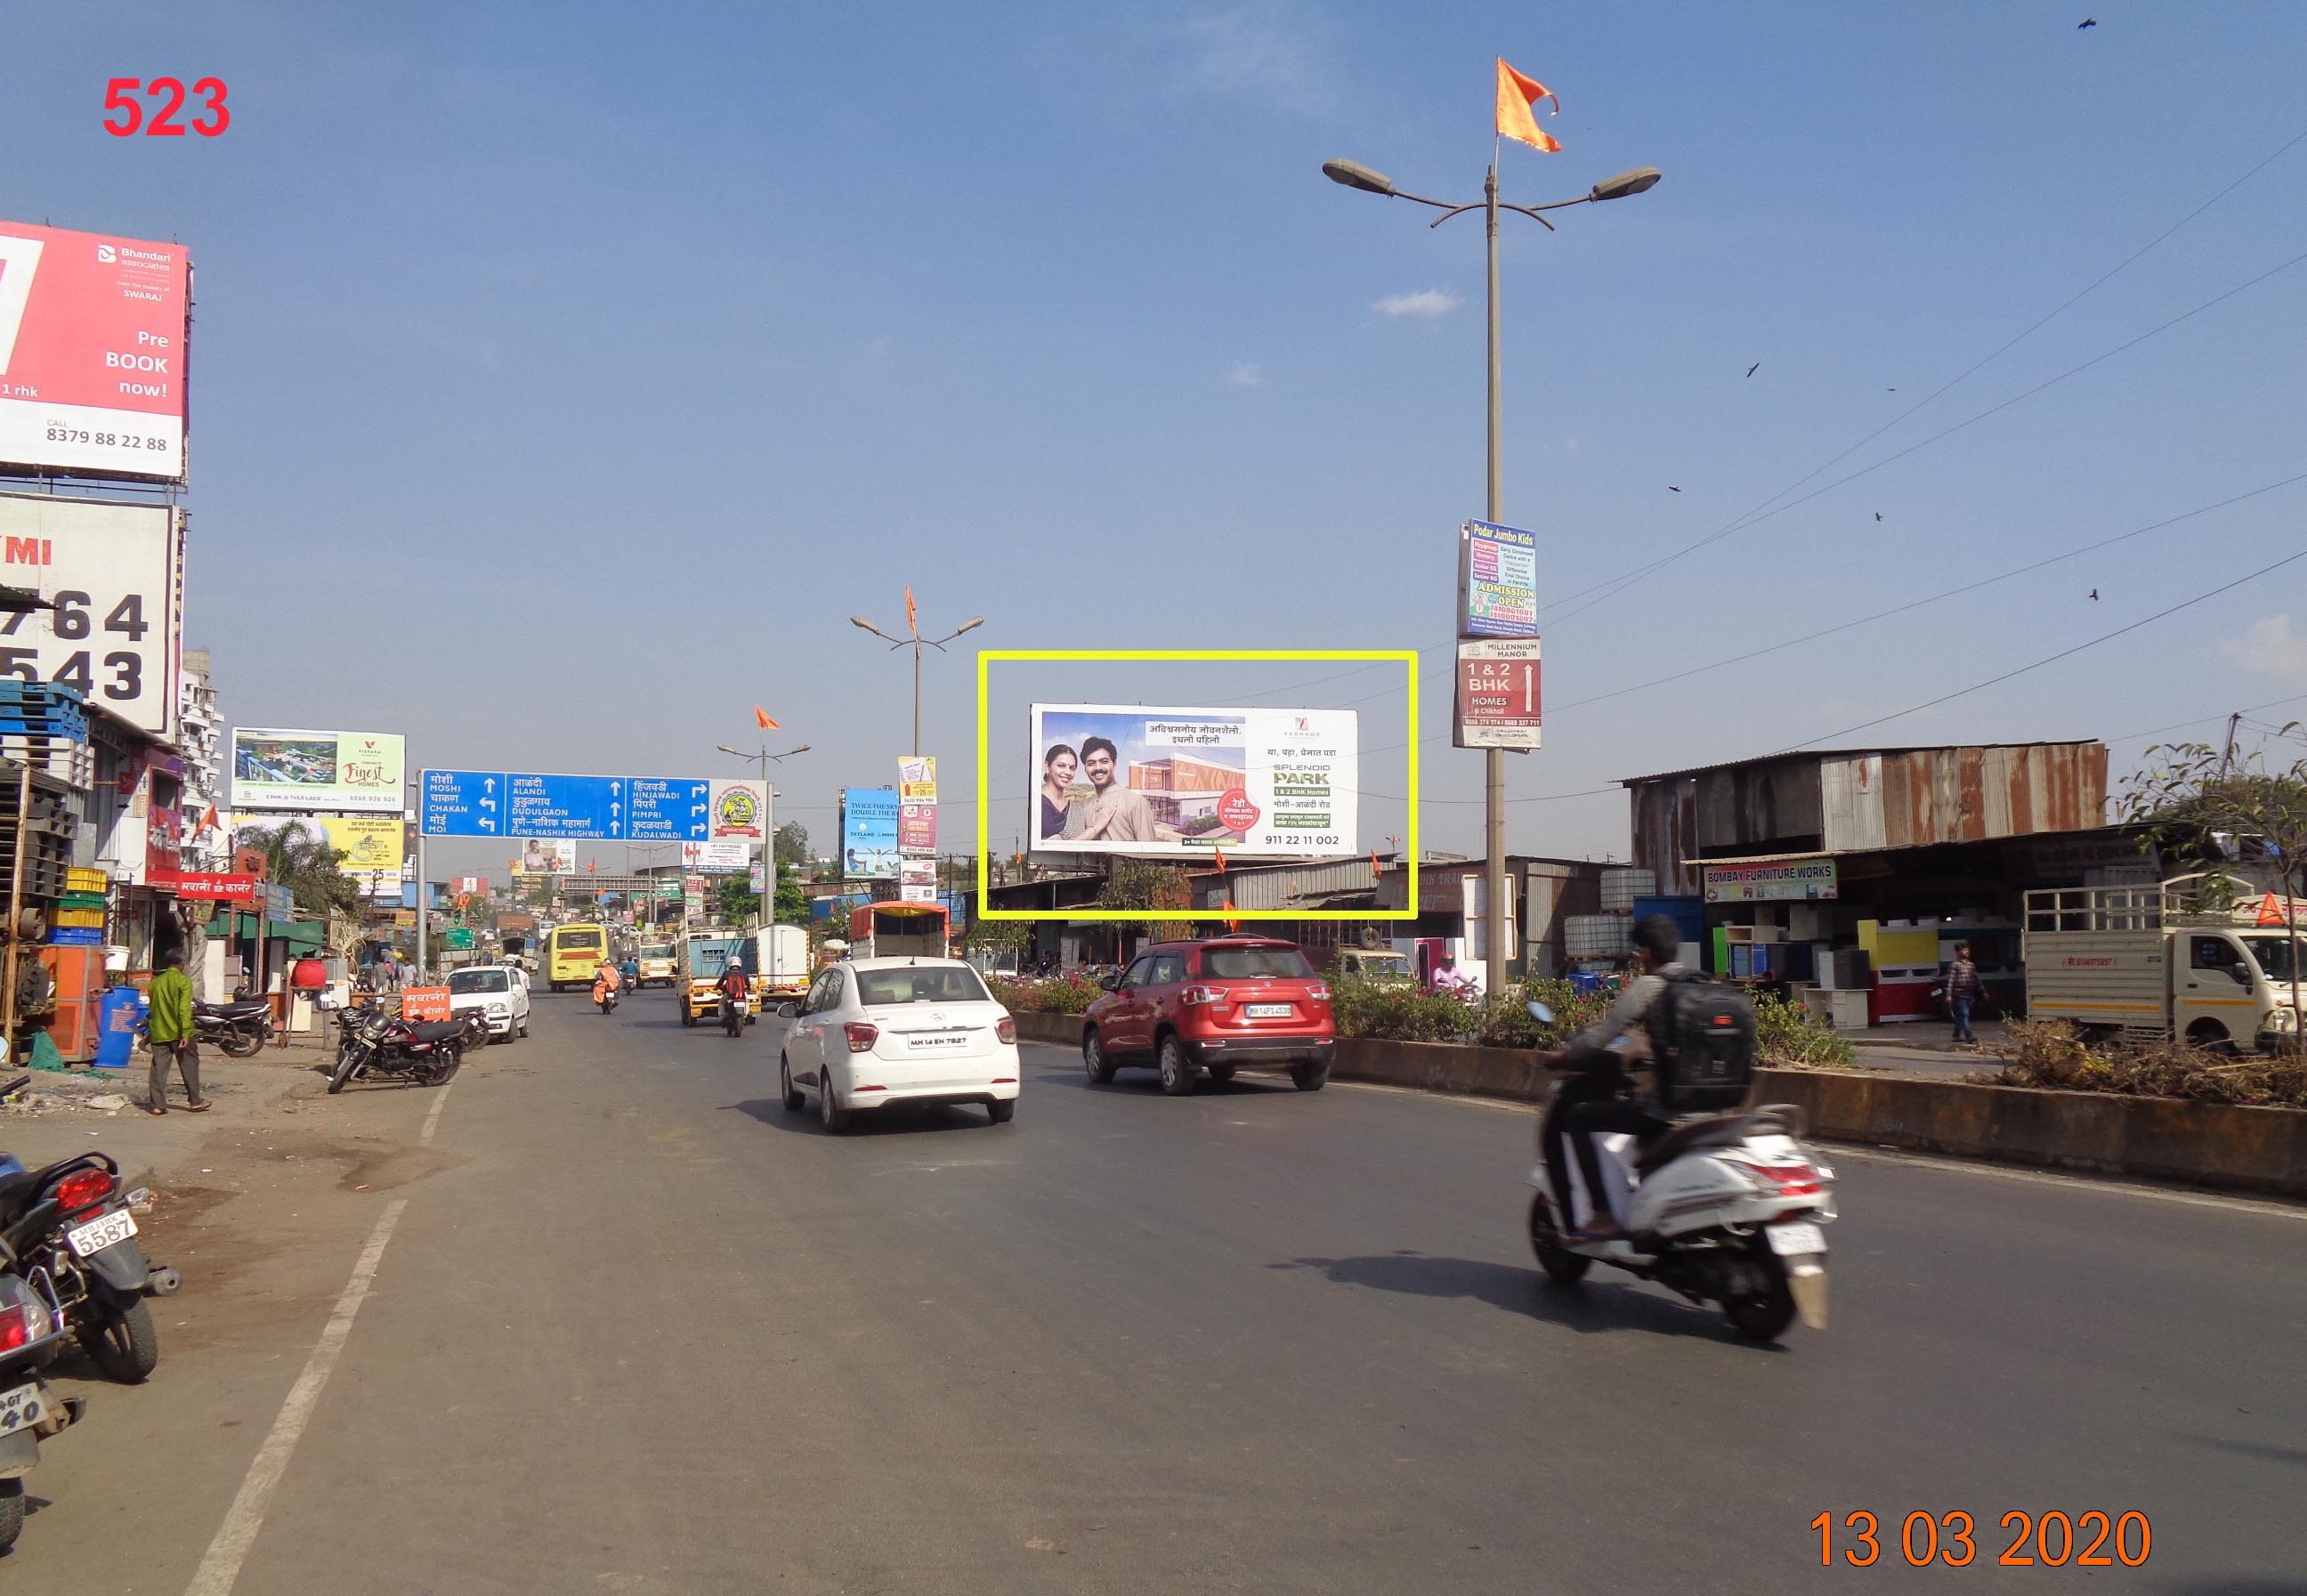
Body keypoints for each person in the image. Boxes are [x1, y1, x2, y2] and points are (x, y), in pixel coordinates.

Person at [1531, 913, 1686, 1244]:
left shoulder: (1651, 986)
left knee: (1578, 1116)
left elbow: (1605, 1033)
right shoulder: (1703, 984)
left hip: (1670, 1108)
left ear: (1644, 954)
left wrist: (1564, 1056)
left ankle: (1602, 1215)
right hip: (1719, 1107)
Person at [144, 950, 212, 1116]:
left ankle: (158, 1105)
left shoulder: (155, 982)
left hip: (159, 1031)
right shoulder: (183, 981)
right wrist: (186, 1032)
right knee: (189, 1064)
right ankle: (195, 1101)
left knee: (158, 1069)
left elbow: (152, 1009)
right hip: (179, 1031)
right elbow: (184, 1009)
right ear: (180, 964)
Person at [1072, 736, 1161, 844]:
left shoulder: (1136, 802)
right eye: (1091, 763)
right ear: (1085, 768)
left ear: (1114, 764)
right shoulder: (1084, 805)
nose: (1098, 767)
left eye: (1104, 761)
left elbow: (1149, 853)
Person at [1945, 942, 1985, 1044]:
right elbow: (1950, 981)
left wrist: (1983, 992)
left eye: (1967, 950)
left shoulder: (1971, 965)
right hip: (1959, 995)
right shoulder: (1954, 965)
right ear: (1958, 952)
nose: (1966, 952)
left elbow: (1977, 980)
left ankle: (1956, 1035)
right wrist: (1949, 995)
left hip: (1970, 995)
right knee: (1964, 1014)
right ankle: (1969, 1036)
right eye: (1964, 950)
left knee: (1961, 1016)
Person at [1039, 744, 1079, 842]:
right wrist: (1095, 828)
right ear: (1047, 767)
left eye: (1072, 768)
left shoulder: (1075, 807)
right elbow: (1057, 845)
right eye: (1061, 766)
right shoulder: (1040, 804)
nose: (1068, 772)